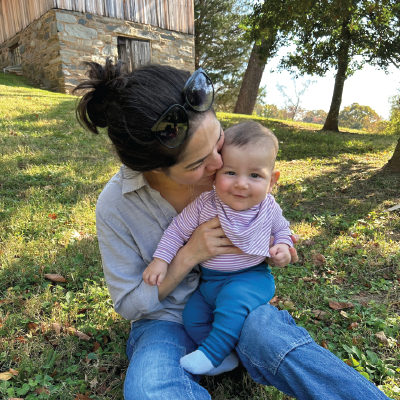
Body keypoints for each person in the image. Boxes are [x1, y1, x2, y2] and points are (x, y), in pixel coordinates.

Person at [74, 59, 391, 400]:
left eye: (218, 141)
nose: (218, 164)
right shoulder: (117, 206)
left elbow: (267, 216)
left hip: (237, 307)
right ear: (153, 168)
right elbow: (129, 305)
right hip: (164, 321)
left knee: (281, 346)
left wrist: (271, 246)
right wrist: (186, 257)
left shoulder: (233, 177)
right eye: (198, 163)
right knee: (149, 389)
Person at [143, 121, 293, 376]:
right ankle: (227, 358)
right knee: (193, 316)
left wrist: (283, 247)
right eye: (231, 173)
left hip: (251, 278)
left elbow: (283, 231)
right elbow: (177, 231)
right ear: (215, 176)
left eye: (255, 175)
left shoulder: (268, 207)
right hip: (210, 282)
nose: (242, 184)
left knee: (232, 303)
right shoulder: (206, 205)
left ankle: (211, 353)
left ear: (272, 180)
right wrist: (160, 260)